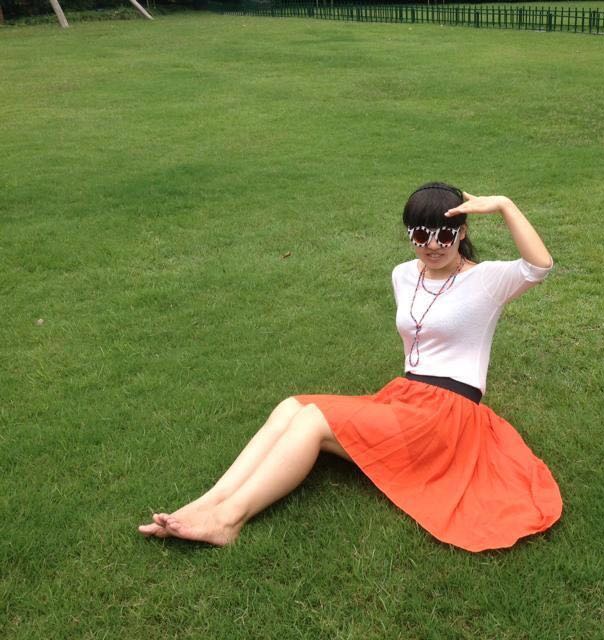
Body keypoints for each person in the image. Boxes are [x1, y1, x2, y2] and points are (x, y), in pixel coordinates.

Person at [138, 182, 562, 552]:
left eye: (444, 234)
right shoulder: (404, 274)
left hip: (447, 416)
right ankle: (206, 504)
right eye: (420, 234)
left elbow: (539, 266)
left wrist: (504, 205)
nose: (432, 245)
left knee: (313, 421)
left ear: (462, 232)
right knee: (292, 406)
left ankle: (228, 521)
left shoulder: (486, 280)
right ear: (408, 235)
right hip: (407, 397)